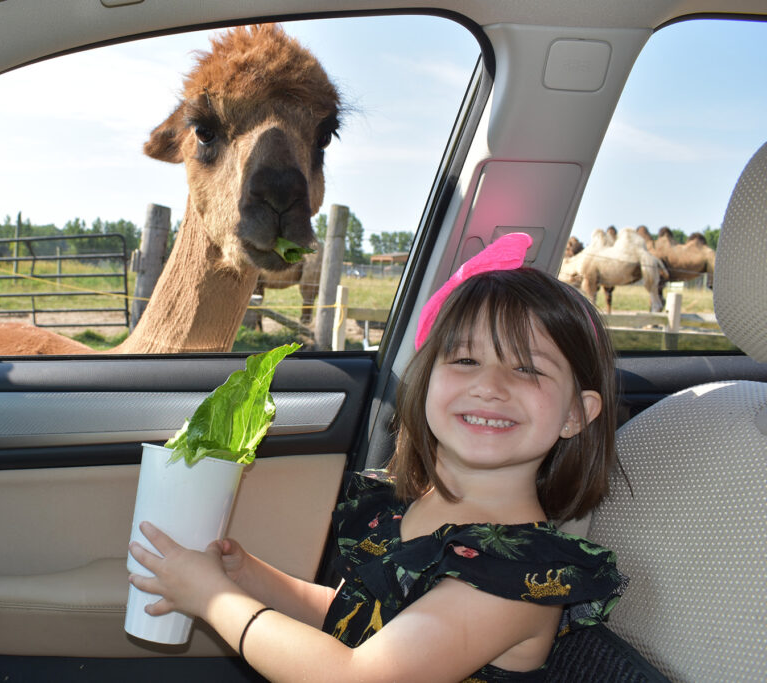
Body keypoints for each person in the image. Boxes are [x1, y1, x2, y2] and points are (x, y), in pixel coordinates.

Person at [128, 233, 627, 682]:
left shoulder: (517, 576)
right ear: (427, 380)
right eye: (466, 360)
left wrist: (217, 600)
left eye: (526, 369)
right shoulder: (413, 507)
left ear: (575, 415)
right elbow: (354, 618)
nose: (489, 386)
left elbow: (357, 676)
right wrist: (250, 578)